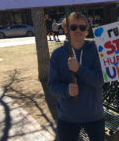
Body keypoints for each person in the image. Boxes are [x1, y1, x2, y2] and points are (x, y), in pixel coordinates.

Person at [48, 12, 104, 141]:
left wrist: (79, 69)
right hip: (68, 117)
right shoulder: (57, 55)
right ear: (66, 29)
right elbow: (52, 85)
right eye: (73, 27)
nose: (78, 30)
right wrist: (66, 90)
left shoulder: (97, 51)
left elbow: (99, 80)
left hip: (94, 116)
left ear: (86, 30)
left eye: (82, 27)